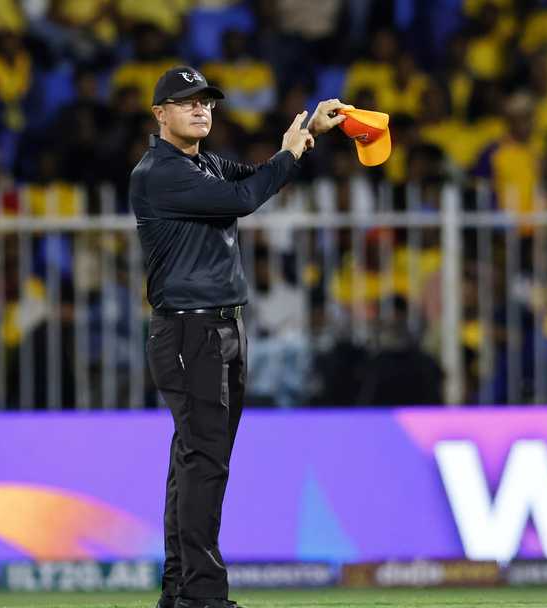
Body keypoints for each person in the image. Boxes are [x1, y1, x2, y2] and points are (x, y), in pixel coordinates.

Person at [129, 65, 350, 608]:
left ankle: (180, 591)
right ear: (160, 114)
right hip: (191, 331)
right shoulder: (159, 173)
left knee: (196, 460)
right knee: (203, 461)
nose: (201, 109)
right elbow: (245, 197)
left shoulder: (201, 163)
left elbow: (253, 177)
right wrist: (291, 153)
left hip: (222, 326)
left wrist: (307, 135)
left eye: (206, 101)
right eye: (187, 102)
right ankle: (202, 595)